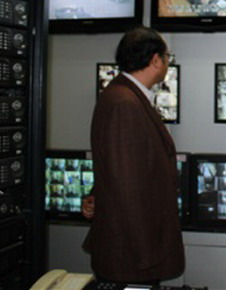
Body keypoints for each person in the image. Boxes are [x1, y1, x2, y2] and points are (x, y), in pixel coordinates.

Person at [82, 26, 185, 285]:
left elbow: (118, 166)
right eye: (167, 57)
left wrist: (97, 194)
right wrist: (146, 253)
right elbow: (126, 183)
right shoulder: (124, 103)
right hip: (132, 255)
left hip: (132, 248)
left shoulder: (125, 95)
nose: (167, 63)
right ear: (155, 60)